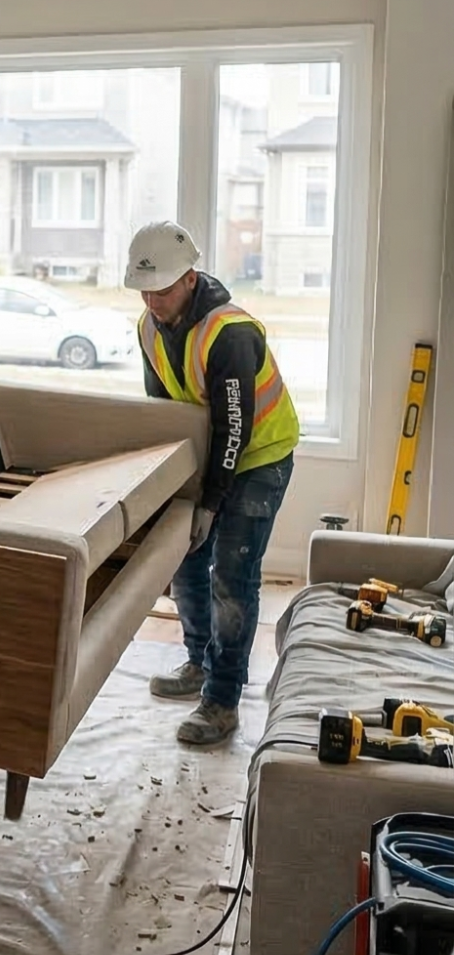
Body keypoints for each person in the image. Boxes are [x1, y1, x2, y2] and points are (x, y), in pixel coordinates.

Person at [126, 221, 300, 748]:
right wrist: (172, 492)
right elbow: (165, 414)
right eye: (144, 290)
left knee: (231, 576)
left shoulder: (231, 334)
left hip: (259, 457)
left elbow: (234, 431)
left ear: (190, 278)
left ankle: (222, 700)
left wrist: (209, 503)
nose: (152, 301)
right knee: (185, 557)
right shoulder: (148, 328)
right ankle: (199, 662)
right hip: (210, 451)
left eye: (161, 289)